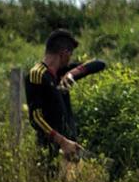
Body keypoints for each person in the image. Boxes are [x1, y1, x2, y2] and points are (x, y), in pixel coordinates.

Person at [26, 28, 107, 165]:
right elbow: (36, 118)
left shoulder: (62, 72)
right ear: (64, 53)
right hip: (50, 148)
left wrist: (72, 74)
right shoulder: (38, 74)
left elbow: (99, 64)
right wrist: (62, 141)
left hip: (70, 149)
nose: (70, 58)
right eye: (70, 54)